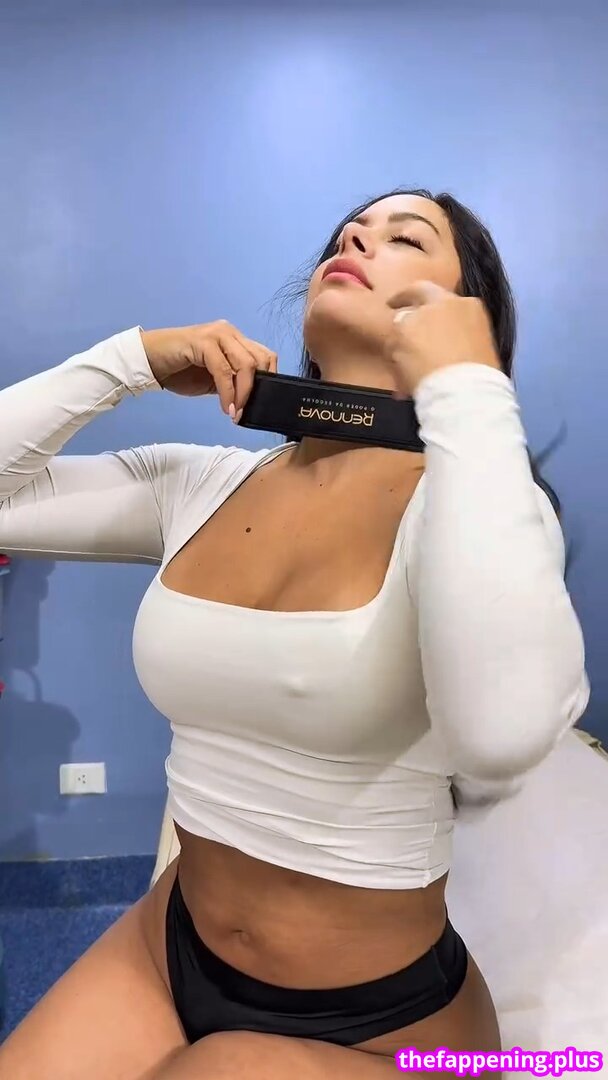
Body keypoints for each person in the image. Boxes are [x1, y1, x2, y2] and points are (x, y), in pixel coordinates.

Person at [0, 189, 589, 1080]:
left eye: (406, 238)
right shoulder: (200, 485)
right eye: (352, 230)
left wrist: (469, 389)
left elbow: (501, 736)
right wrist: (129, 361)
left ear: (466, 317)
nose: (357, 237)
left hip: (385, 1024)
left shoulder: (475, 513)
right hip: (169, 950)